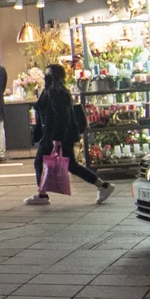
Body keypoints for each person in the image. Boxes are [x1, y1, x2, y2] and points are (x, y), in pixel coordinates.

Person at [24, 64, 114, 206]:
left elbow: (62, 117)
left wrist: (57, 139)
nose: (45, 77)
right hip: (56, 135)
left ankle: (42, 194)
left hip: (56, 136)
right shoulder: (53, 90)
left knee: (42, 161)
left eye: (47, 75)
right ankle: (103, 186)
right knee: (70, 165)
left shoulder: (56, 92)